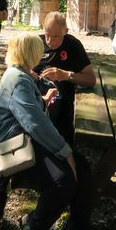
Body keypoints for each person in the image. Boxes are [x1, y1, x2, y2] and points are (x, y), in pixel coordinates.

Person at [0, 33, 99, 230]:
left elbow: (29, 112)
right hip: (16, 148)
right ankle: (33, 226)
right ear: (30, 53)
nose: (42, 55)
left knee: (83, 170)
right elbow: (34, 123)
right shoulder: (17, 79)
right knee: (64, 180)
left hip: (29, 140)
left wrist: (42, 100)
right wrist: (64, 151)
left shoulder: (21, 74)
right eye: (39, 50)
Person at [33, 11, 96, 145]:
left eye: (55, 37)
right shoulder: (36, 43)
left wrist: (67, 75)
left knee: (62, 140)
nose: (50, 41)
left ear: (65, 31)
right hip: (37, 100)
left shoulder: (72, 45)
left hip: (63, 104)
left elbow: (91, 79)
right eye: (47, 35)